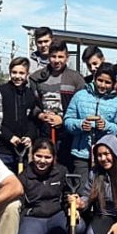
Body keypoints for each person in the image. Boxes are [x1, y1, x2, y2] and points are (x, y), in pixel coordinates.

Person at [17, 139, 85, 234]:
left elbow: (66, 194)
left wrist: (71, 205)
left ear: (53, 158)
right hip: (34, 218)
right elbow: (19, 205)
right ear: (32, 155)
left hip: (56, 215)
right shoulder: (23, 176)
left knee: (79, 226)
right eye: (38, 156)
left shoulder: (61, 172)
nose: (42, 161)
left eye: (47, 157)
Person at [30, 40, 85, 169]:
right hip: (44, 132)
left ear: (67, 57)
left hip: (67, 134)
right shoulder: (36, 78)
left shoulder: (76, 79)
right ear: (48, 57)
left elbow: (81, 107)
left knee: (65, 166)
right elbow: (31, 104)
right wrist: (40, 115)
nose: (56, 60)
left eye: (60, 56)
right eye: (53, 56)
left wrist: (63, 119)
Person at [64, 63, 117, 186]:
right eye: (100, 80)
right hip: (81, 153)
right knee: (82, 191)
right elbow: (68, 120)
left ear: (113, 84)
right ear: (94, 78)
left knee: (102, 192)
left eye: (107, 82)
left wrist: (106, 126)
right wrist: (80, 125)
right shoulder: (80, 96)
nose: (103, 85)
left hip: (105, 156)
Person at [0, 57, 38, 174]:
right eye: (14, 72)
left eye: (21, 73)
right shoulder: (1, 92)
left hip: (22, 149)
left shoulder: (29, 94)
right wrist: (9, 136)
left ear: (27, 74)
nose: (17, 76)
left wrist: (29, 136)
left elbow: (32, 121)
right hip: (4, 149)